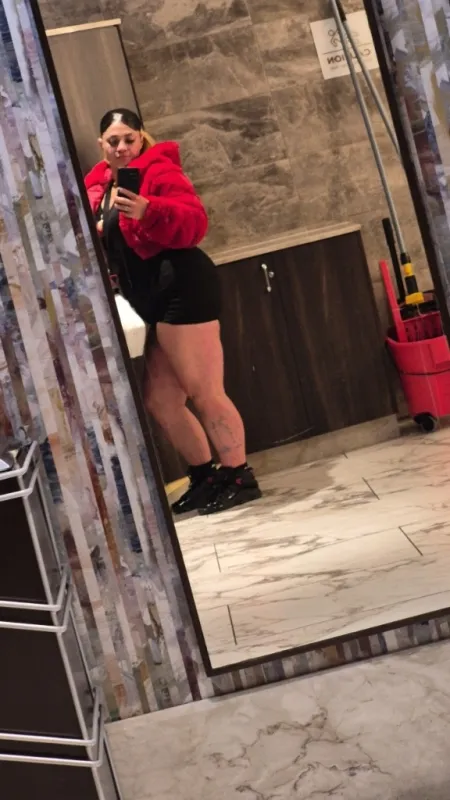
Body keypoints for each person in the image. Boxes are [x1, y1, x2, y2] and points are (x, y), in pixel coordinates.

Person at [84, 108, 261, 515]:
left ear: (141, 137)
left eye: (129, 138)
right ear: (101, 145)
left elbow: (195, 222)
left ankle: (240, 476)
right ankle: (206, 476)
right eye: (113, 141)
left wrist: (149, 211)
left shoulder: (159, 172)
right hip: (153, 298)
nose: (122, 147)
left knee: (205, 390)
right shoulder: (101, 187)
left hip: (184, 288)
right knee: (161, 401)